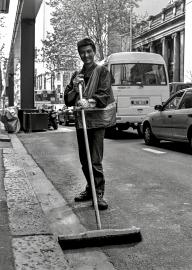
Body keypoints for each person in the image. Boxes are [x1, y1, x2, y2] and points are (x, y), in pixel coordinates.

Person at [64, 37, 116, 210]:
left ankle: (99, 193)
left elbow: (104, 95)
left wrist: (89, 102)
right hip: (82, 123)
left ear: (94, 52)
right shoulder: (76, 76)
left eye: (89, 52)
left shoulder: (102, 72)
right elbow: (68, 100)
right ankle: (90, 188)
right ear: (79, 54)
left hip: (96, 123)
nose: (86, 55)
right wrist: (73, 86)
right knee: (84, 161)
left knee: (94, 160)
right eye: (82, 53)